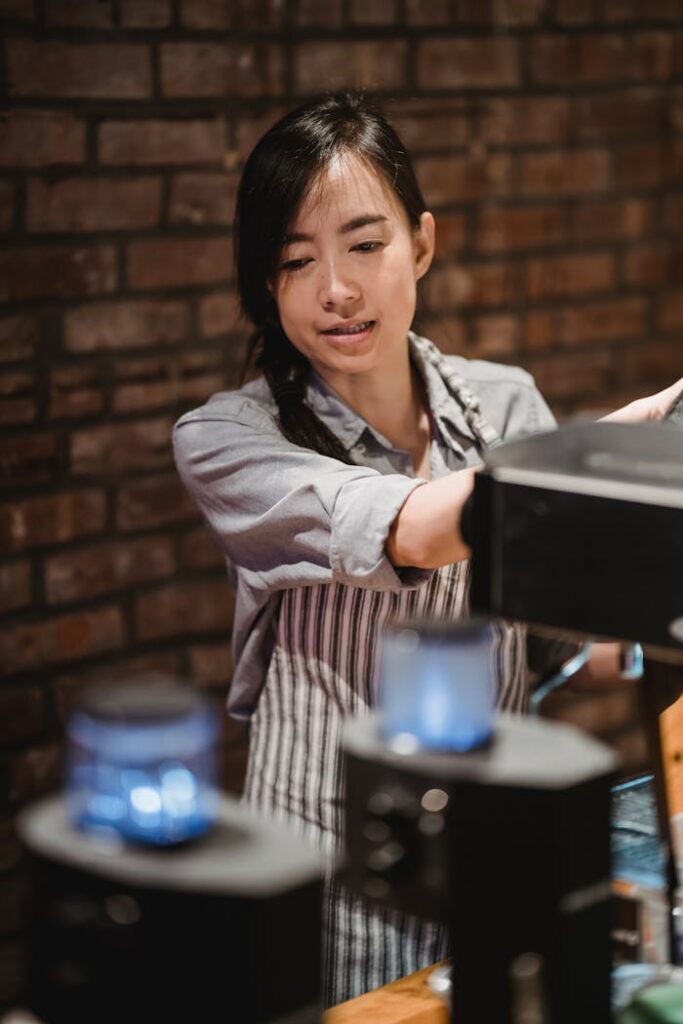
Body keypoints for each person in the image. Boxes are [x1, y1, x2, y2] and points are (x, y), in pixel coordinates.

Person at [173, 91, 683, 1006]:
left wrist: (656, 622)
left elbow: (563, 643)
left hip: (499, 866)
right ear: (265, 283)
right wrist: (602, 454)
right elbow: (404, 525)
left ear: (423, 243)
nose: (335, 288)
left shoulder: (504, 405)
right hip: (331, 890)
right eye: (295, 261)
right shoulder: (227, 439)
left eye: (365, 244)